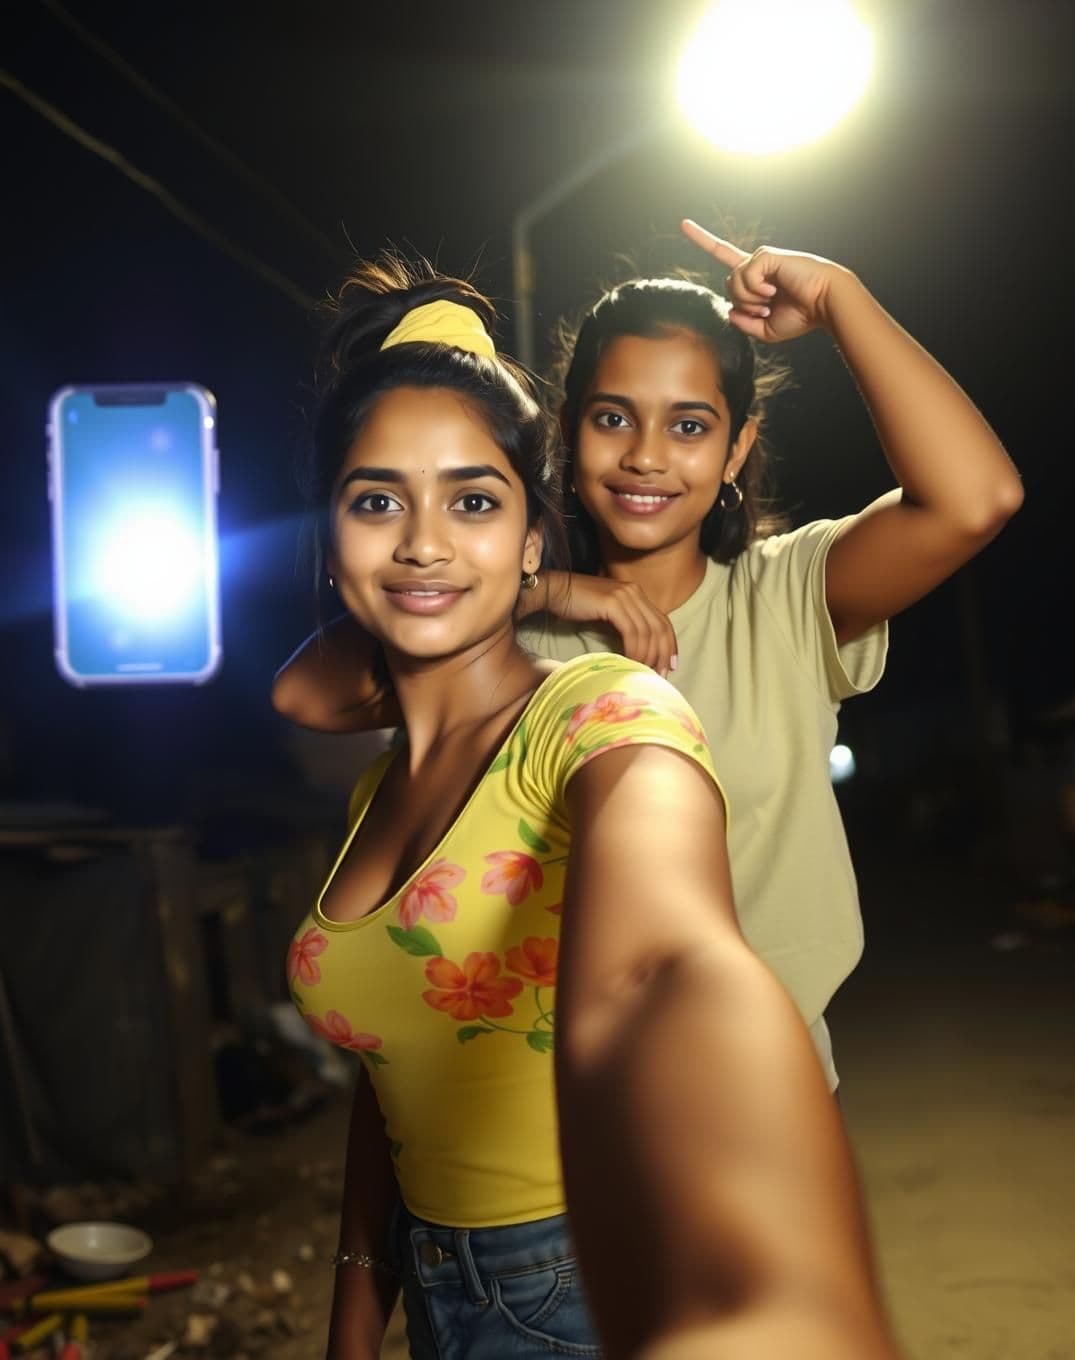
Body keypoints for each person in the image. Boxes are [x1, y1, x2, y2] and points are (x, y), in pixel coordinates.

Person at [284, 254, 897, 1359]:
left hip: (616, 1221)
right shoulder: (405, 769)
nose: (423, 540)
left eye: (470, 499)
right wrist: (359, 1295)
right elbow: (412, 1049)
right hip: (442, 1271)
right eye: (377, 498)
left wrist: (793, 1277)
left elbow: (662, 958)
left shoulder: (603, 699)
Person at [275, 220, 1024, 1093]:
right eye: (613, 416)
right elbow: (308, 694)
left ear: (737, 447)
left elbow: (978, 498)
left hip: (750, 1102)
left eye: (691, 425)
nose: (646, 456)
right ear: (566, 428)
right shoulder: (492, 630)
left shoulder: (782, 597)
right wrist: (548, 590)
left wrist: (838, 299)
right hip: (547, 1136)